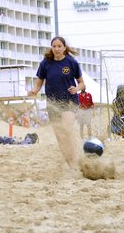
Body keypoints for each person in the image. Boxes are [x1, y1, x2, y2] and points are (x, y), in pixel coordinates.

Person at [28, 36, 86, 169]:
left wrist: (76, 88)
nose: (57, 48)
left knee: (66, 129)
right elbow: (39, 84)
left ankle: (76, 157)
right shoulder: (45, 63)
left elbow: (82, 83)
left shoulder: (72, 62)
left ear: (64, 48)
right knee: (60, 136)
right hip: (53, 103)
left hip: (69, 102)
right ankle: (70, 164)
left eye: (59, 46)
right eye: (54, 46)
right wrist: (34, 91)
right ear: (52, 48)